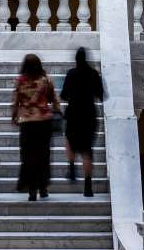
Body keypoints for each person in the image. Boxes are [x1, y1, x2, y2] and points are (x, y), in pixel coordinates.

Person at [11, 54, 60, 201]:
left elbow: (15, 101)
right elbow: (54, 99)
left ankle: (32, 189)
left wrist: (14, 116)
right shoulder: (45, 80)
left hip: (27, 122)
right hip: (44, 122)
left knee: (28, 156)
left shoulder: (20, 81)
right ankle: (43, 187)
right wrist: (58, 112)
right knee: (43, 155)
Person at [60, 47, 103, 197]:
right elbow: (101, 94)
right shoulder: (93, 74)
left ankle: (71, 168)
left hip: (73, 114)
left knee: (70, 141)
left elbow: (63, 95)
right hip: (89, 115)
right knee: (87, 150)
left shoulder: (71, 74)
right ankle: (88, 186)